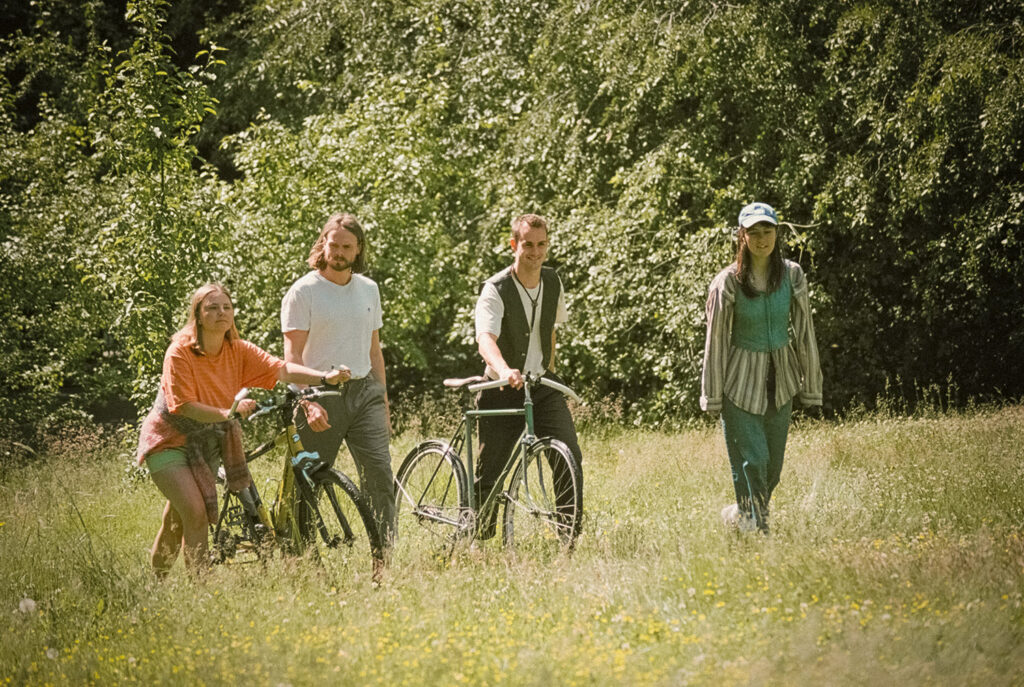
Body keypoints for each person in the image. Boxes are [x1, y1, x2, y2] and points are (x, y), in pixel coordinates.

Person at [137, 283, 349, 577]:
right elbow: (183, 406)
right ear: (197, 315)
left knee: (177, 519)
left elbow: (282, 369)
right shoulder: (180, 353)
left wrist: (324, 377)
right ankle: (200, 595)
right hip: (168, 441)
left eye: (226, 307)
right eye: (211, 308)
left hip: (207, 441)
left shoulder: (237, 350)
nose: (220, 313)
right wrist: (227, 413)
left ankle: (155, 584)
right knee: (195, 513)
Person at [280, 212, 394, 576]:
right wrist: (305, 399)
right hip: (318, 396)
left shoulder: (369, 289)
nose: (340, 252)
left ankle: (383, 561)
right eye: (334, 245)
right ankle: (301, 561)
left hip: (365, 393)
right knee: (307, 479)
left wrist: (384, 399)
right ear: (323, 244)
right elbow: (292, 356)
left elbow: (375, 351)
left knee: (379, 474)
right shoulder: (304, 291)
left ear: (358, 249)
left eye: (347, 246)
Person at [700, 202, 823, 534]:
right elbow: (715, 342)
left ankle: (741, 518)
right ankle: (761, 534)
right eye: (753, 232)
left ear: (777, 233)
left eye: (767, 231)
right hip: (739, 387)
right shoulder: (726, 282)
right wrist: (711, 396)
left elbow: (804, 332)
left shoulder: (793, 274)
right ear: (742, 236)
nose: (761, 238)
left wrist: (811, 386)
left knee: (773, 469)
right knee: (753, 463)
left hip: (780, 384)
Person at [474, 213, 583, 539]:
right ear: (514, 245)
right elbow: (485, 339)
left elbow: (548, 331)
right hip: (501, 386)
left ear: (547, 245)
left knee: (569, 456)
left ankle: (568, 536)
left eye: (541, 244)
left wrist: (548, 369)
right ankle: (478, 538)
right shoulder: (496, 288)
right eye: (527, 245)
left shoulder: (553, 281)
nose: (535, 252)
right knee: (491, 470)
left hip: (541, 386)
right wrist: (505, 370)